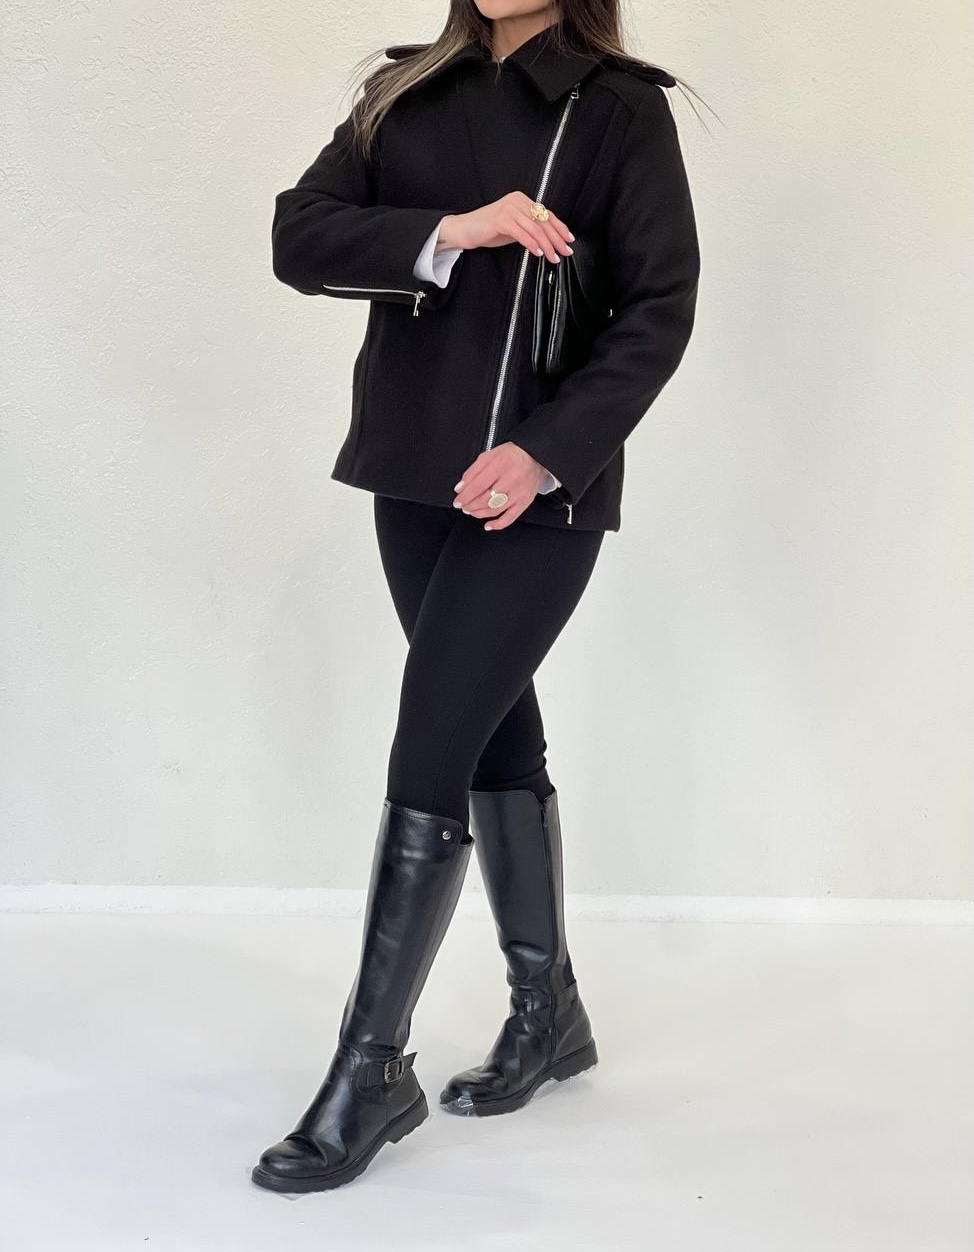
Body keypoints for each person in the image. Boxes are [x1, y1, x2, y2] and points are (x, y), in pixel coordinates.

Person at [252, 0, 700, 1193]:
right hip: (412, 471)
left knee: (431, 745)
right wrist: (455, 228)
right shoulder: (401, 93)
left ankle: (369, 1068)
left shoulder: (616, 109)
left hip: (536, 492)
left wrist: (546, 451)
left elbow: (657, 309)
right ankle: (548, 1014)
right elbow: (300, 237)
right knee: (495, 732)